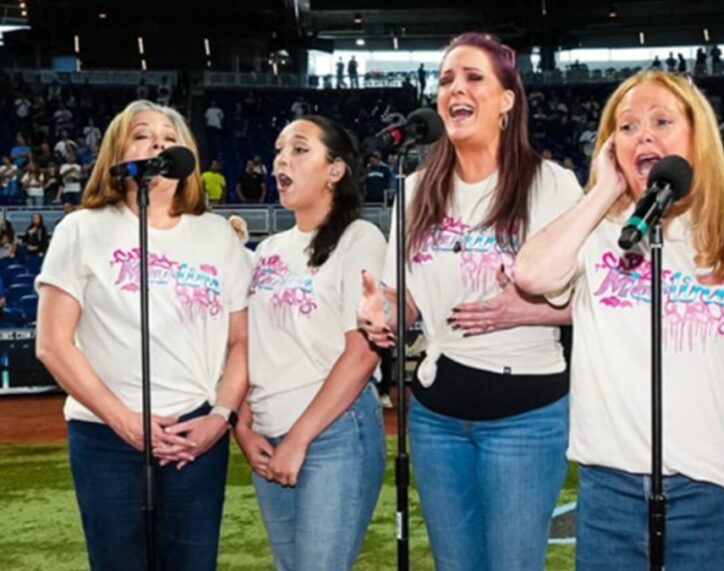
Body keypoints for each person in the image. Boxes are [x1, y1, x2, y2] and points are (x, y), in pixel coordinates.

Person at [516, 70, 724, 569]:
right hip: (609, 491)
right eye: (626, 126)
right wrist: (600, 194)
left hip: (711, 490)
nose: (643, 135)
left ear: (696, 135)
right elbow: (531, 275)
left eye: (662, 121)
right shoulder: (597, 231)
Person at [357, 32, 582, 571]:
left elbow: (592, 303)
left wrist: (522, 310)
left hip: (525, 416)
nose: (455, 88)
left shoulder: (552, 185)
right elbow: (407, 300)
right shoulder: (414, 189)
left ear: (507, 99)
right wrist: (383, 313)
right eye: (446, 80)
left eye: (473, 77)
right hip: (435, 415)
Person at [34, 99, 251, 570]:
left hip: (195, 437)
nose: (159, 143)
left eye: (170, 138)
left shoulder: (217, 236)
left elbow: (241, 342)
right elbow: (52, 343)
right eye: (143, 135)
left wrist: (220, 418)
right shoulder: (81, 229)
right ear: (118, 154)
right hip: (105, 437)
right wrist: (123, 420)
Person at [236, 115, 386, 571]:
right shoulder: (267, 250)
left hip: (332, 432)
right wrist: (243, 425)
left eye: (300, 149)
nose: (282, 159)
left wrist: (299, 439)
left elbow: (361, 351)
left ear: (335, 170)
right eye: (280, 150)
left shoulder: (359, 238)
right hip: (267, 430)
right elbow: (249, 343)